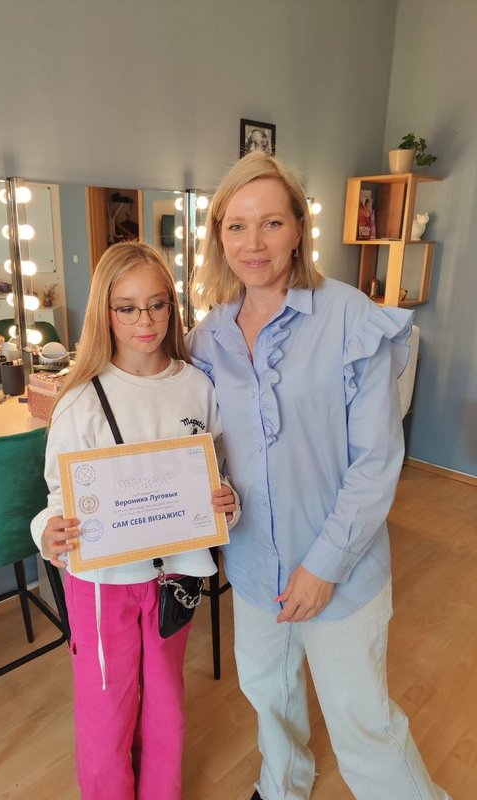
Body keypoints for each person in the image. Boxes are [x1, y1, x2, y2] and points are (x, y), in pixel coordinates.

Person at [187, 152, 450, 800]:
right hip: (254, 566)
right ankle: (283, 785)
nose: (254, 243)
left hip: (340, 568)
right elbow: (209, 448)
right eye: (237, 226)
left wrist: (323, 566)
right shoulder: (208, 337)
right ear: (218, 234)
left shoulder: (350, 317)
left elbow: (377, 461)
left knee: (364, 727)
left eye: (271, 223)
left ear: (299, 229)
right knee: (268, 696)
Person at [31, 241, 238, 800]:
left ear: (172, 306)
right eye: (126, 308)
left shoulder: (197, 386)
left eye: (157, 304)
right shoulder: (79, 399)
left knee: (167, 704)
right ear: (105, 312)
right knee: (106, 710)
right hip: (103, 582)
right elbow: (58, 497)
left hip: (177, 575)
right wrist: (47, 531)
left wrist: (228, 502)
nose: (144, 321)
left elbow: (218, 474)